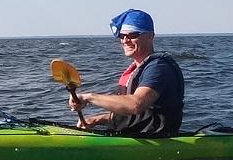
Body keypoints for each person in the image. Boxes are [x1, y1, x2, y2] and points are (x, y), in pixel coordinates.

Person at [68, 8, 185, 136]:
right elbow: (137, 116)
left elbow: (136, 104)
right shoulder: (137, 69)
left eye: (133, 35)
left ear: (150, 36)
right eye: (122, 36)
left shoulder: (158, 68)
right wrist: (97, 119)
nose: (125, 40)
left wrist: (88, 97)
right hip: (133, 135)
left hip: (156, 140)